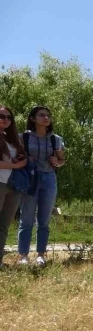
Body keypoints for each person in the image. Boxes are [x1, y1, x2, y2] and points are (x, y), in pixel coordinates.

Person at [17, 105, 66, 266]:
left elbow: (61, 160)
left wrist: (56, 162)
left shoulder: (55, 139)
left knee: (44, 220)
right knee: (26, 219)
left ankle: (40, 255)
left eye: (48, 116)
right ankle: (23, 255)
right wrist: (24, 159)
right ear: (32, 118)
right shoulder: (22, 137)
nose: (46, 118)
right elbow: (16, 157)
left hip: (49, 179)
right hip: (30, 178)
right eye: (42, 115)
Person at [0, 105, 26, 266]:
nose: (6, 120)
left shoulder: (11, 138)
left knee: (4, 225)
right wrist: (15, 165)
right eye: (2, 116)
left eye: (9, 117)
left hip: (13, 186)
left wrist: (16, 161)